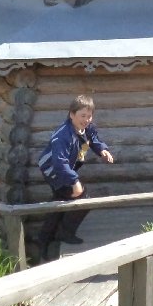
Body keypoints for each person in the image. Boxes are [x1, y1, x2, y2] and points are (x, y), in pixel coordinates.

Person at [35, 94, 114, 261]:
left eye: (89, 116)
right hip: (54, 171)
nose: (86, 120)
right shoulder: (63, 136)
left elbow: (93, 139)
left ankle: (44, 240)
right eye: (82, 116)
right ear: (72, 114)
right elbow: (59, 163)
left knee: (60, 202)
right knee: (83, 200)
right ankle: (62, 233)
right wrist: (74, 181)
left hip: (66, 168)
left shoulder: (87, 128)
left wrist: (102, 150)